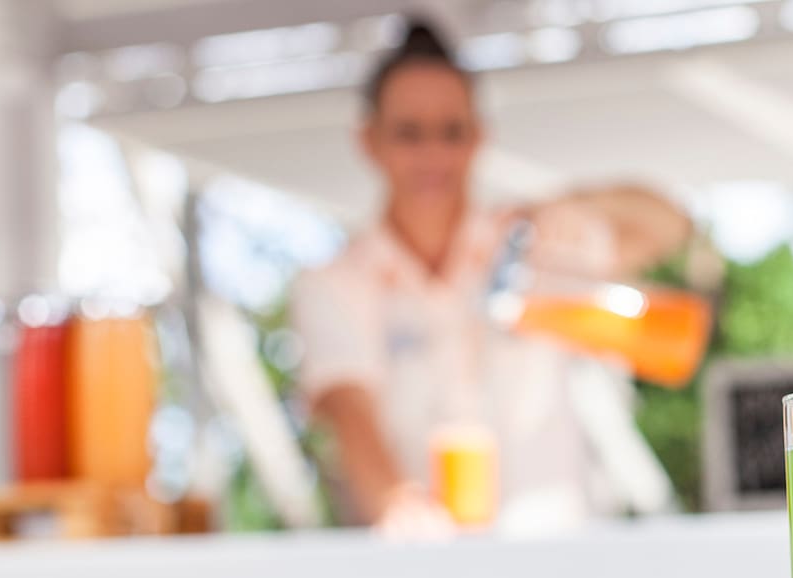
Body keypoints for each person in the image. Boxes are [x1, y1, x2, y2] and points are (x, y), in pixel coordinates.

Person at [292, 18, 691, 532]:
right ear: (369, 141)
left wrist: (574, 204)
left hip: (557, 558)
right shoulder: (336, 283)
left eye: (451, 132)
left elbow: (670, 225)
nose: (433, 155)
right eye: (409, 134)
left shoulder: (529, 245)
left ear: (479, 136)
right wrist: (399, 507)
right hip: (427, 571)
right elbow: (350, 413)